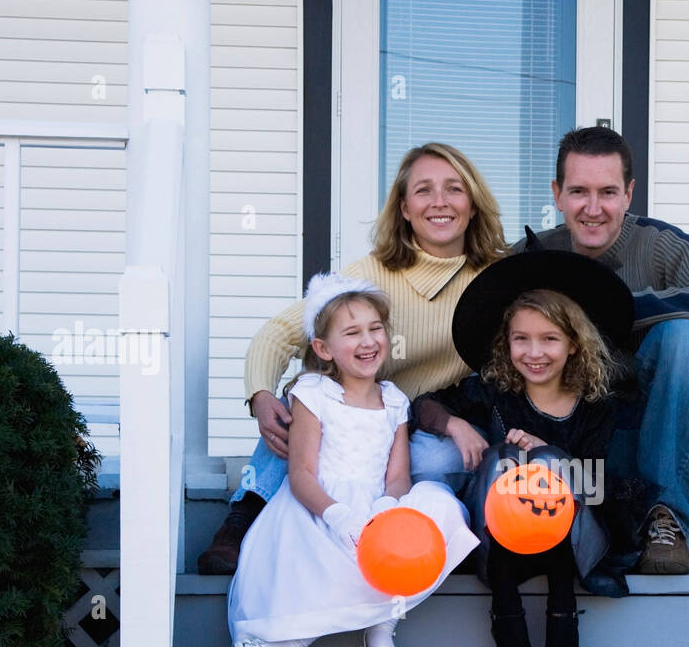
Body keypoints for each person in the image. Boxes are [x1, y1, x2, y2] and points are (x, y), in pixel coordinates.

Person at [198, 142, 505, 574]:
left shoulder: (498, 276)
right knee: (298, 404)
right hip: (363, 412)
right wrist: (260, 395)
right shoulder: (373, 272)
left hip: (435, 420)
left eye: (454, 189)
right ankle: (243, 517)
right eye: (423, 191)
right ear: (403, 208)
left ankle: (425, 537)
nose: (439, 202)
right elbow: (277, 334)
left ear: (473, 205)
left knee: (440, 461)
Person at [511, 126, 689, 575]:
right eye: (578, 192)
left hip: (659, 399)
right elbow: (487, 322)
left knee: (687, 338)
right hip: (594, 429)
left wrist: (619, 308)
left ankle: (667, 517)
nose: (593, 208)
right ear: (557, 194)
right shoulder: (536, 255)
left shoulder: (660, 244)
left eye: (607, 192)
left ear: (628, 193)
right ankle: (685, 453)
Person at [228, 273, 478, 647]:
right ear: (323, 348)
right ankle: (290, 639)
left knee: (434, 509)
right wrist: (338, 515)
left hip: (377, 505)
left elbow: (397, 477)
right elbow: (301, 472)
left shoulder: (395, 400)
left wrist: (385, 510)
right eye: (352, 333)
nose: (367, 341)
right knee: (331, 556)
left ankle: (379, 638)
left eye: (375, 329)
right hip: (321, 508)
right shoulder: (313, 393)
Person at [412, 251, 635, 647]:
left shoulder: (598, 404)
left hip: (573, 536)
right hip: (503, 544)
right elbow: (425, 406)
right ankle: (506, 614)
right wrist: (455, 423)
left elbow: (604, 487)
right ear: (506, 342)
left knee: (545, 463)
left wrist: (549, 455)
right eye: (521, 339)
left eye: (549, 339)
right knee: (502, 460)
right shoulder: (497, 390)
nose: (535, 353)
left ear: (573, 344)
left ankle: (563, 614)